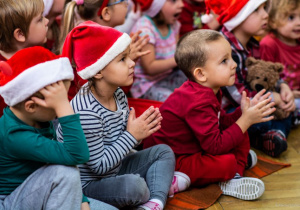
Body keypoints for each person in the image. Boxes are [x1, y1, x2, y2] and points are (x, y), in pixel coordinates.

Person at [60, 21, 190, 210]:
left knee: (163, 152)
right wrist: (132, 135)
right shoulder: (85, 111)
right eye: (122, 59)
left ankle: (155, 203)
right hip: (91, 184)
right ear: (98, 71)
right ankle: (157, 185)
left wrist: (138, 132)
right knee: (135, 187)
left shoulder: (118, 92)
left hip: (116, 167)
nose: (132, 63)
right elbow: (100, 167)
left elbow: (120, 143)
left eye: (129, 57)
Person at [144, 29, 276, 200]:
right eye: (224, 61)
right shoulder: (197, 101)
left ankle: (234, 172)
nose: (234, 64)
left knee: (240, 132)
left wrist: (243, 112)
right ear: (200, 74)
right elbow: (214, 146)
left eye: (231, 58)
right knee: (228, 158)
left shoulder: (207, 90)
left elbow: (222, 123)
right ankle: (229, 174)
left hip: (194, 147)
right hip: (171, 160)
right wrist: (245, 120)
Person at [0, 46, 89, 209]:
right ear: (31, 106)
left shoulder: (37, 119)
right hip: (10, 202)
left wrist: (83, 200)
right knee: (66, 174)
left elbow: (66, 159)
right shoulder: (15, 136)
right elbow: (78, 154)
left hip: (38, 191)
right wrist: (62, 106)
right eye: (57, 104)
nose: (62, 110)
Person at [206, 0, 296, 157]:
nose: (266, 15)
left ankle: (272, 136)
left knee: (286, 109)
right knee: (269, 113)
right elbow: (235, 95)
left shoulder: (252, 44)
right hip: (226, 113)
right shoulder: (224, 47)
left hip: (249, 103)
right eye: (256, 10)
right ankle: (269, 133)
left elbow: (264, 73)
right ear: (238, 16)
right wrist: (271, 98)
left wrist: (282, 87)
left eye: (264, 9)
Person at [59, 0, 150, 99]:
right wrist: (126, 58)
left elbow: (120, 93)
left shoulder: (107, 40)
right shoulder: (89, 46)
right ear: (106, 13)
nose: (127, 4)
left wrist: (126, 58)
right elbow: (102, 96)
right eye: (121, 1)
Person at [130, 0, 187, 102]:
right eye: (174, 1)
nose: (182, 4)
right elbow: (150, 68)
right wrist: (178, 58)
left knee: (198, 82)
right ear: (157, 7)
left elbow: (177, 51)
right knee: (174, 101)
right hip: (148, 85)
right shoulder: (145, 29)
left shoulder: (174, 24)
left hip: (169, 76)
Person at [0, 0, 49, 116]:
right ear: (20, 34)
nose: (46, 21)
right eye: (40, 19)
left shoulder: (39, 54)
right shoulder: (4, 76)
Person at [260, 0, 300, 124]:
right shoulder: (269, 44)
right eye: (291, 17)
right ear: (272, 21)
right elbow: (266, 79)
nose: (299, 23)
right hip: (280, 98)